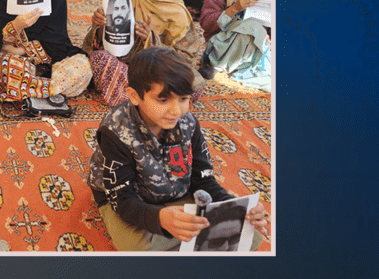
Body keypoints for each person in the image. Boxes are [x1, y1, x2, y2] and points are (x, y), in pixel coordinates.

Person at [86, 47, 269, 251]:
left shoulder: (188, 123)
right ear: (135, 96)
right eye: (163, 100)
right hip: (132, 200)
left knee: (251, 235)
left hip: (173, 191)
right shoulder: (115, 131)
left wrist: (236, 208)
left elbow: (203, 180)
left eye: (184, 99)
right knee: (138, 248)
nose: (176, 110)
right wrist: (159, 218)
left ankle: (179, 237)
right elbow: (122, 199)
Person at [84, 0, 196, 106]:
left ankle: (133, 96)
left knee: (192, 81)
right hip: (123, 65)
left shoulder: (177, 13)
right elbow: (98, 45)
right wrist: (99, 25)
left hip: (154, 72)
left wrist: (150, 40)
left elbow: (186, 59)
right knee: (99, 59)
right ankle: (148, 100)